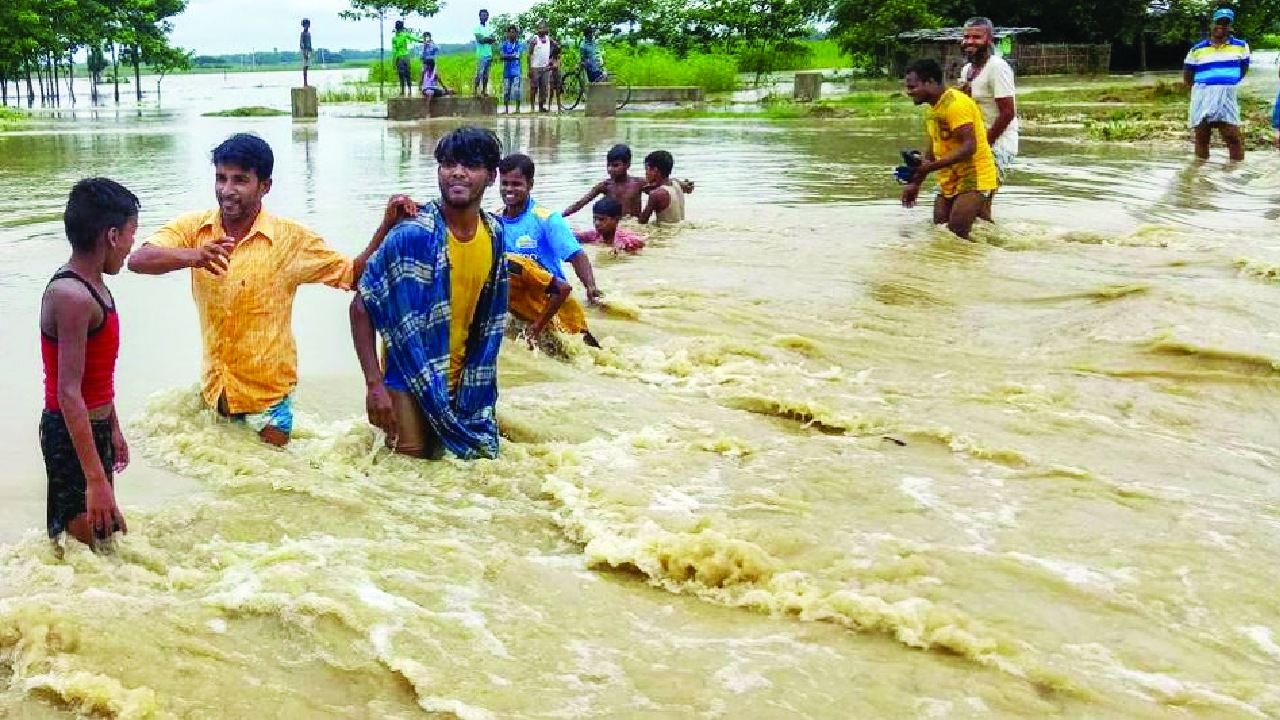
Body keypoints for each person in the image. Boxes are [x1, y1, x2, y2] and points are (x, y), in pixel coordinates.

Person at [128, 133, 409, 447]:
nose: (227, 190)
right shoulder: (195, 229)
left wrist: (386, 227)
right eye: (221, 179)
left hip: (268, 403)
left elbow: (352, 276)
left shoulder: (290, 240)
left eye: (240, 180)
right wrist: (195, 255)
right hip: (216, 391)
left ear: (265, 186)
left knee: (270, 485)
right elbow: (139, 260)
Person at [351, 127, 509, 460]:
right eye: (449, 163)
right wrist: (374, 385)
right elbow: (361, 306)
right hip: (408, 377)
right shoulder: (413, 234)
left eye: (471, 165)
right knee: (411, 467)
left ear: (491, 176)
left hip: (465, 379)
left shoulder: (493, 233)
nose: (458, 172)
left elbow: (489, 315)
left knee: (464, 472)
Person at [40, 178, 138, 549]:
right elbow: (68, 393)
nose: (131, 246)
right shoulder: (72, 296)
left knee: (104, 543)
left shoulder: (96, 284)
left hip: (94, 432)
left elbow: (98, 375)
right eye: (131, 234)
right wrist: (95, 479)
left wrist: (112, 427)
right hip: (69, 436)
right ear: (112, 236)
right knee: (79, 547)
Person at [900, 58, 999, 240]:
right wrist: (915, 183)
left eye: (912, 87)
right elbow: (932, 151)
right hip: (948, 178)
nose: (908, 92)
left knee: (955, 234)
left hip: (974, 177)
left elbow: (970, 146)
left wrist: (929, 167)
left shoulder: (955, 105)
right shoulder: (933, 109)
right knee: (940, 229)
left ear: (930, 82)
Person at [497, 154, 603, 306]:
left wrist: (591, 288)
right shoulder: (494, 221)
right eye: (504, 183)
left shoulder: (547, 219)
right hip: (517, 301)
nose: (509, 189)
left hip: (551, 300)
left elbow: (576, 255)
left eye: (516, 184)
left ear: (530, 184)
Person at [958, 16, 1017, 219]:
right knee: (973, 206)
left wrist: (985, 142)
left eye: (976, 37)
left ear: (989, 40)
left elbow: (1008, 112)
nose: (970, 41)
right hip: (976, 142)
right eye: (966, 37)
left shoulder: (997, 68)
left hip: (998, 143)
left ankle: (990, 246)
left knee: (979, 205)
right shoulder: (967, 71)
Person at [1184, 8, 1250, 161]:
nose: (1221, 26)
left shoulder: (1241, 46)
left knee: (1233, 136)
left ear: (1230, 26)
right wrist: (1205, 88)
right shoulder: (1197, 49)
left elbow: (1243, 69)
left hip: (1227, 96)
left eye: (1226, 23)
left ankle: (1235, 174)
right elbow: (1187, 76)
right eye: (1218, 22)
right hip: (1202, 95)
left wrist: (1227, 81)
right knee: (1202, 136)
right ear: (1212, 24)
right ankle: (1200, 175)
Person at [564, 144, 645, 218]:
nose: (610, 169)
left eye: (615, 165)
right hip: (613, 227)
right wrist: (561, 216)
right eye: (608, 165)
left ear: (627, 164)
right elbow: (580, 203)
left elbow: (656, 194)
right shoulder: (605, 186)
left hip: (634, 227)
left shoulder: (638, 183)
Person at [639, 150, 695, 224]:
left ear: (655, 170)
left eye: (646, 169)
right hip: (680, 230)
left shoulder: (655, 194)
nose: (646, 173)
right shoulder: (676, 183)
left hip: (666, 234)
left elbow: (642, 222)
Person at [574, 197, 644, 253]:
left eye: (601, 219)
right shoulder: (594, 235)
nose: (597, 223)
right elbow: (572, 237)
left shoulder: (626, 242)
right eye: (595, 218)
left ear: (616, 220)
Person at [527, 22, 553, 113]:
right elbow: (529, 54)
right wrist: (529, 68)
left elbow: (556, 48)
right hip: (535, 68)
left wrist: (551, 61)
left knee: (544, 88)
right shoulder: (534, 39)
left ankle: (541, 107)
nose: (542, 30)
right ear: (537, 29)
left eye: (544, 28)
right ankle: (532, 107)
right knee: (534, 88)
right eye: (540, 28)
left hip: (545, 68)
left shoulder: (549, 39)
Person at [500, 25, 524, 114]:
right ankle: (505, 109)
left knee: (517, 90)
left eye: (513, 32)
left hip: (516, 71)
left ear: (516, 34)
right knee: (506, 91)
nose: (512, 34)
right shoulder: (504, 44)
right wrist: (511, 56)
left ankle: (517, 109)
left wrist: (507, 57)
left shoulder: (519, 45)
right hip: (507, 71)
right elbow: (502, 56)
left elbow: (518, 56)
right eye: (510, 32)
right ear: (507, 33)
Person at [474, 9, 497, 97]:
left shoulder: (489, 28)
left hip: (489, 54)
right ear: (479, 16)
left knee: (486, 75)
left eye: (485, 15)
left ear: (487, 17)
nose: (484, 17)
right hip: (481, 54)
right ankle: (475, 91)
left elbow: (493, 39)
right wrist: (488, 39)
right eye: (482, 15)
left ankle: (484, 90)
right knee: (479, 73)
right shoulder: (477, 28)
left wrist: (486, 39)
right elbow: (480, 40)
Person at [391, 20, 416, 97]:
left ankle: (404, 91)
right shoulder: (401, 36)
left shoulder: (396, 38)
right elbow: (414, 38)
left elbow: (394, 52)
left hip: (401, 58)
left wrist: (393, 62)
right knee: (406, 74)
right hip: (404, 58)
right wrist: (423, 41)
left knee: (403, 74)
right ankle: (407, 90)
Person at [547, 43, 563, 110]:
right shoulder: (551, 59)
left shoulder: (559, 59)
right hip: (552, 76)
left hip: (558, 76)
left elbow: (557, 66)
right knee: (551, 92)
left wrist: (551, 67)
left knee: (558, 92)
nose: (558, 55)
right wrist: (550, 66)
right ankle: (549, 107)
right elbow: (550, 66)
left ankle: (559, 107)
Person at [299, 18, 313, 87]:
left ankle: (306, 82)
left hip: (309, 50)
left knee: (307, 66)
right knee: (305, 66)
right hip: (304, 50)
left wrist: (310, 50)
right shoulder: (303, 34)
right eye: (305, 25)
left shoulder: (309, 33)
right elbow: (301, 43)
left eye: (308, 25)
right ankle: (305, 82)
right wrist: (304, 52)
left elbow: (310, 43)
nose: (307, 26)